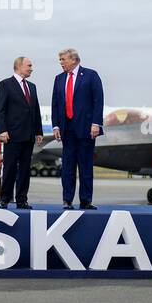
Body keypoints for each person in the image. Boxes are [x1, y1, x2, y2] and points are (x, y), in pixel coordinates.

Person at [49, 47, 104, 210]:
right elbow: (55, 104)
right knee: (67, 166)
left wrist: (96, 123)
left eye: (63, 59)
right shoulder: (59, 79)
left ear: (74, 60)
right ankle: (67, 200)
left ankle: (86, 200)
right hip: (67, 129)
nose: (61, 63)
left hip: (86, 129)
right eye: (60, 60)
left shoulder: (90, 75)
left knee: (85, 166)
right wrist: (56, 125)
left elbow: (98, 100)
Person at [0, 55, 44, 209]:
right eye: (29, 65)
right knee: (9, 168)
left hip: (29, 135)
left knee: (25, 169)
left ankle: (22, 199)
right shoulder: (5, 84)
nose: (31, 68)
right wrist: (2, 130)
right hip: (12, 135)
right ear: (19, 66)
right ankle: (5, 198)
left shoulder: (32, 86)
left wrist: (39, 131)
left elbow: (35, 111)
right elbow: (0, 110)